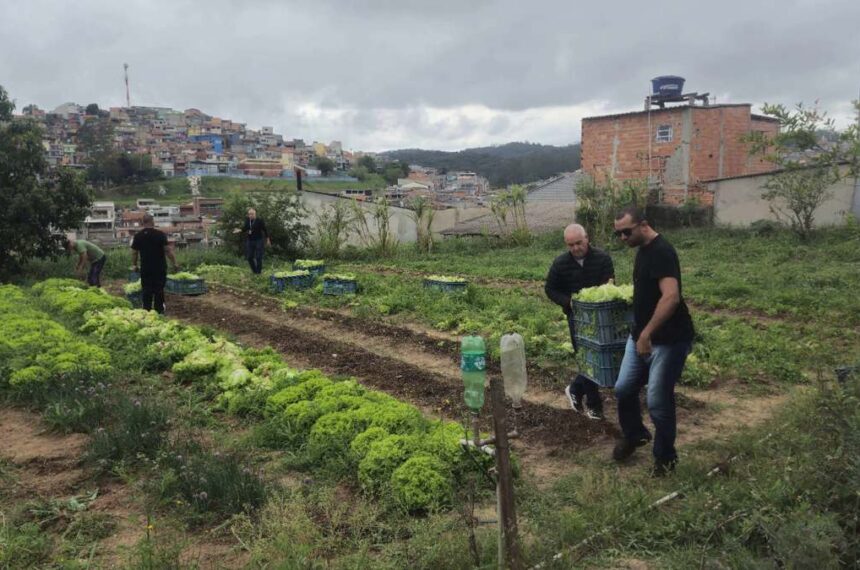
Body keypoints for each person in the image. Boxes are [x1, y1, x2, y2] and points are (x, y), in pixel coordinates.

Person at [611, 206, 694, 477]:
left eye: (626, 231)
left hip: (668, 340)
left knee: (658, 400)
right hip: (640, 336)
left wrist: (647, 335)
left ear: (643, 225)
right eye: (618, 234)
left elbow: (671, 297)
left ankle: (665, 459)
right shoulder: (642, 251)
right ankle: (636, 435)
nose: (623, 238)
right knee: (623, 389)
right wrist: (640, 333)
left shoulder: (662, 252)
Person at [545, 223, 615, 420]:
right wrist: (568, 302)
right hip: (576, 319)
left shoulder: (602, 258)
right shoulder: (560, 264)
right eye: (571, 245)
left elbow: (609, 285)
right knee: (586, 359)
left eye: (578, 243)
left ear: (587, 239)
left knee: (599, 359)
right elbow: (550, 289)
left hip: (602, 319)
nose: (575, 248)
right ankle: (594, 406)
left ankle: (575, 388)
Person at [131, 214, 178, 314]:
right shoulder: (160, 234)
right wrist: (174, 263)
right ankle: (159, 310)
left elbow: (134, 252)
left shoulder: (138, 236)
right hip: (159, 267)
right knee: (159, 289)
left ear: (143, 222)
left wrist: (134, 265)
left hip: (146, 268)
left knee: (146, 289)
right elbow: (167, 251)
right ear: (152, 221)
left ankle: (146, 309)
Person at [233, 208, 270, 274]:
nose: (250, 215)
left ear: (255, 214)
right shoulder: (247, 220)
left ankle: (258, 273)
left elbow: (265, 230)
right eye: (249, 214)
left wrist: (268, 239)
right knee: (249, 257)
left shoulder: (259, 221)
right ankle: (254, 271)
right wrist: (240, 230)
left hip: (259, 240)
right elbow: (245, 228)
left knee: (258, 257)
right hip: (250, 241)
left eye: (252, 214)